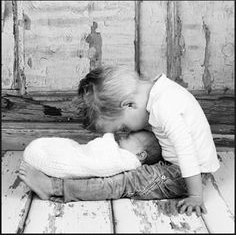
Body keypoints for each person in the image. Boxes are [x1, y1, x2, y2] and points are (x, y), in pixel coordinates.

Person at [19, 65, 220, 217]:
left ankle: (54, 188)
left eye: (123, 128)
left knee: (123, 183)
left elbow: (186, 151)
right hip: (180, 166)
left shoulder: (163, 106)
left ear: (129, 105)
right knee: (121, 166)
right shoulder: (161, 91)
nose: (127, 132)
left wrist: (195, 195)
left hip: (187, 176)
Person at [22, 130, 162, 178]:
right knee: (69, 146)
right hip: (81, 152)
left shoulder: (126, 161)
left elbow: (98, 156)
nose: (123, 137)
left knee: (42, 152)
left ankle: (41, 158)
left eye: (129, 138)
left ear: (141, 155)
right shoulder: (123, 156)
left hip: (77, 161)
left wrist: (108, 136)